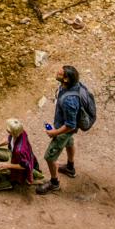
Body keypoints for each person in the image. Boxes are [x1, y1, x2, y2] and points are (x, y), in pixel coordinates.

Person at [37, 64, 84, 194]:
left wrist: (54, 133)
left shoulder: (69, 101)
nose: (56, 72)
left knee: (49, 157)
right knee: (69, 142)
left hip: (64, 130)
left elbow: (70, 125)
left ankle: (54, 183)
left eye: (60, 72)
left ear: (66, 79)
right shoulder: (72, 86)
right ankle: (70, 168)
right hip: (67, 131)